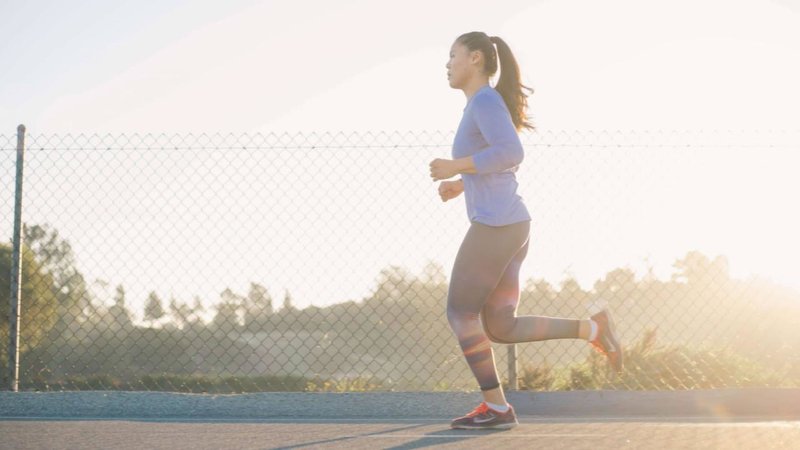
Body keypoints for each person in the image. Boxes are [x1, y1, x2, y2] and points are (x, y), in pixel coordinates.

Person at [429, 31, 623, 430]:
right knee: (500, 325)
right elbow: (501, 161)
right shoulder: (480, 104)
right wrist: (462, 183)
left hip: (498, 226)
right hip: (511, 225)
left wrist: (456, 166)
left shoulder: (483, 100)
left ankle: (497, 409)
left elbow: (512, 153)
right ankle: (594, 328)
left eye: (453, 55)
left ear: (477, 59)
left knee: (460, 312)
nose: (447, 64)